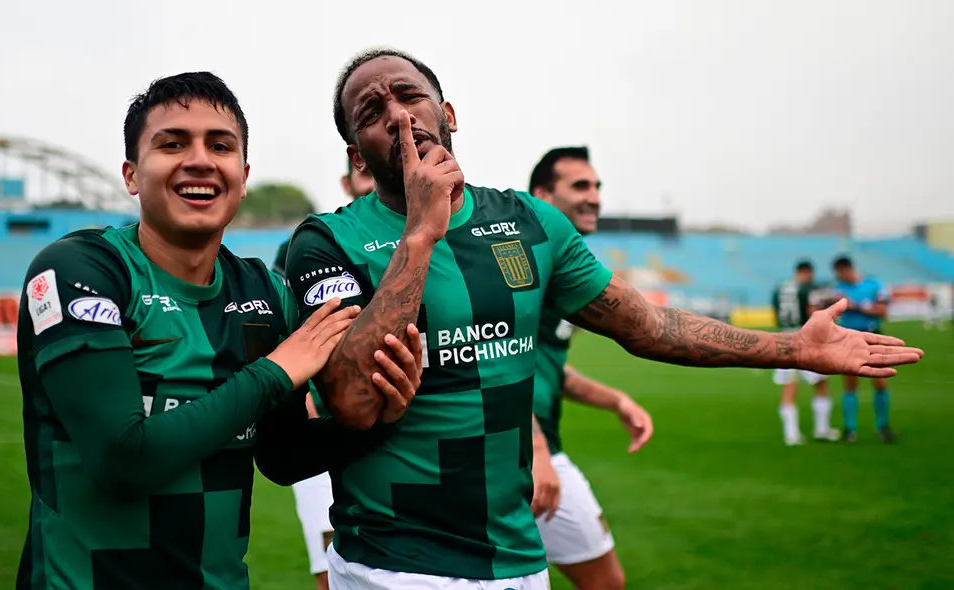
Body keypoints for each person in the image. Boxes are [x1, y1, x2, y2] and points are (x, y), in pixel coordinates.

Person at [282, 48, 923, 590]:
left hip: (518, 561)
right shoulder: (325, 243)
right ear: (357, 156)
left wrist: (795, 348)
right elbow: (352, 398)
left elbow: (648, 326)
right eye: (371, 112)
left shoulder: (532, 225)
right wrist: (422, 233)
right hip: (392, 565)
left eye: (410, 96)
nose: (397, 115)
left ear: (446, 115)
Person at [14, 71, 423, 590]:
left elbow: (283, 455)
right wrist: (274, 372)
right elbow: (122, 460)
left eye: (220, 145)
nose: (201, 159)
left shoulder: (263, 292)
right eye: (172, 143)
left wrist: (381, 416)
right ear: (132, 174)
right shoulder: (82, 269)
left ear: (243, 174)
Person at [526, 146, 652, 590]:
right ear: (542, 196)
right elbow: (490, 364)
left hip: (540, 450)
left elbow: (551, 369)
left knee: (605, 581)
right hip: (515, 452)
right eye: (580, 186)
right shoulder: (519, 264)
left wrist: (615, 400)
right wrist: (536, 452)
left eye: (598, 186)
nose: (595, 196)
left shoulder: (566, 268)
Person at [276, 161, 375, 590]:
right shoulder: (311, 247)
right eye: (368, 173)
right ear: (348, 180)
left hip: (391, 429)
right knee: (332, 572)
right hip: (325, 427)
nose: (377, 184)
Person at [771, 261, 840, 445]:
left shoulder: (779, 288)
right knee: (820, 382)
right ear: (808, 272)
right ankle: (821, 429)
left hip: (783, 339)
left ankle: (791, 434)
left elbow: (775, 313)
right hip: (805, 338)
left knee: (789, 387)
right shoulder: (808, 288)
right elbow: (813, 313)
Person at [832, 255, 896, 443]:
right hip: (849, 337)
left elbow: (883, 312)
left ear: (846, 269)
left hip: (873, 336)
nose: (838, 277)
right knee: (850, 383)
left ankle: (882, 426)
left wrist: (856, 306)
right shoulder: (838, 290)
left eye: (839, 273)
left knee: (880, 381)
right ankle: (850, 430)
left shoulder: (873, 284)